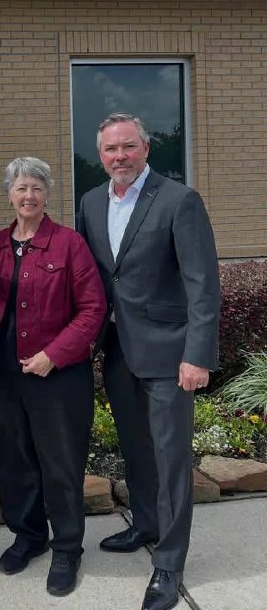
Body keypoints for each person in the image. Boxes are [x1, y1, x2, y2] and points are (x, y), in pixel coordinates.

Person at [77, 113, 220, 610]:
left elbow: (204, 284)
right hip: (117, 350)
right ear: (101, 156)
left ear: (146, 147)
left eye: (129, 147)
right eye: (111, 149)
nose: (120, 156)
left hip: (169, 351)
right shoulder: (90, 203)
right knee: (136, 450)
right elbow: (92, 278)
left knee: (171, 459)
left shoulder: (179, 200)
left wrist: (197, 355)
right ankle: (146, 524)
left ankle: (168, 564)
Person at [0, 157, 106, 597]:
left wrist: (54, 354)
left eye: (37, 188)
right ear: (8, 194)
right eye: (21, 188)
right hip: (3, 375)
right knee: (12, 461)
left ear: (47, 194)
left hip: (57, 375)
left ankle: (67, 548)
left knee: (61, 463)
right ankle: (29, 535)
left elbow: (93, 310)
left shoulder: (69, 244)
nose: (29, 196)